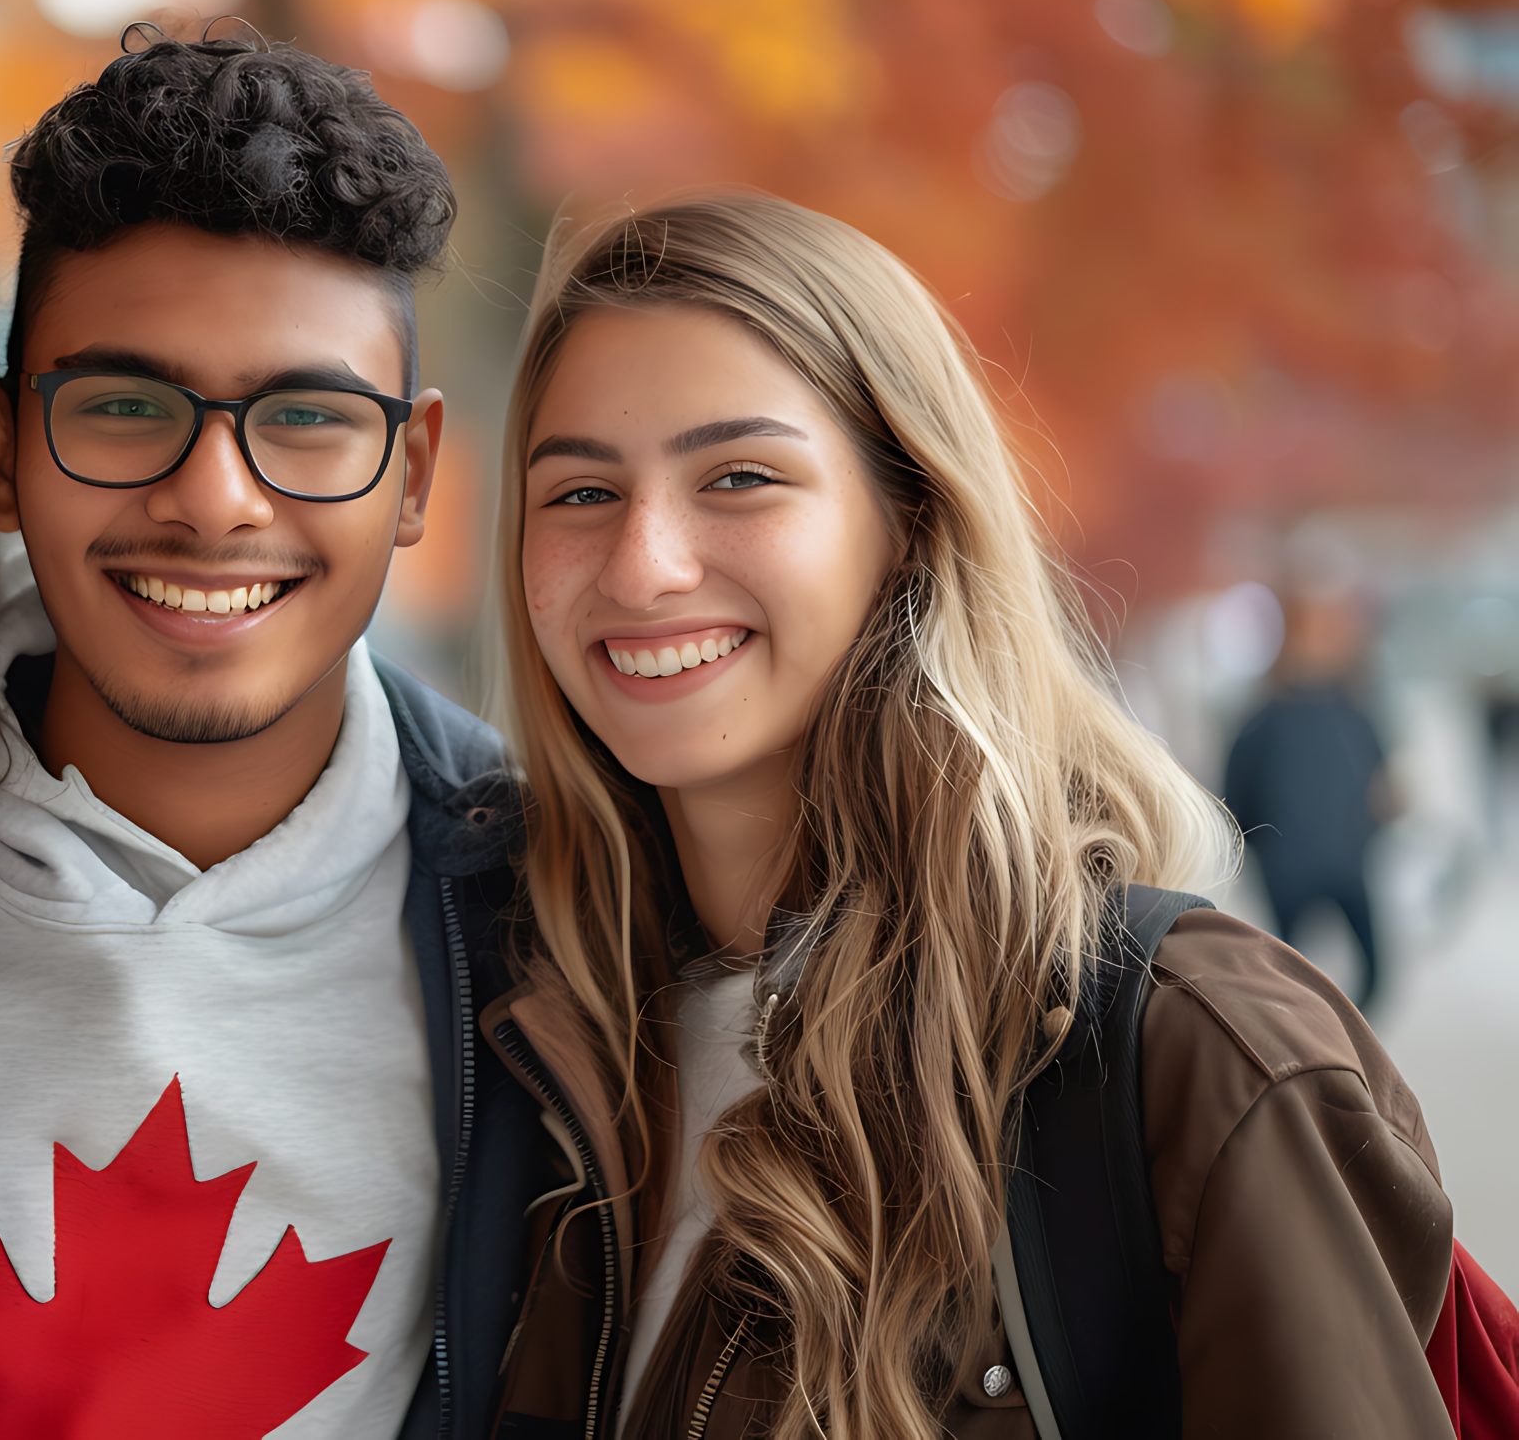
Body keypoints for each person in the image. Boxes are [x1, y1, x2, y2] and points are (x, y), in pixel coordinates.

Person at [486, 195, 1456, 1437]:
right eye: (577, 493)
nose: (642, 565)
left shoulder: (1190, 1054)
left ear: (908, 522)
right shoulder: (536, 1031)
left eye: (739, 477)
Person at [0, 29, 546, 1439]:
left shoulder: (551, 921)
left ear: (411, 473)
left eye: (310, 417)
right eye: (124, 405)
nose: (214, 498)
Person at [1223, 585, 1395, 1011]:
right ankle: (1326, 1047)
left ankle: (1334, 1045)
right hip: (1303, 865)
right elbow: (1236, 795)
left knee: (1349, 976)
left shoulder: (1347, 711)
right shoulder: (1270, 719)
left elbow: (1382, 786)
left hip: (1328, 862)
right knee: (1294, 980)